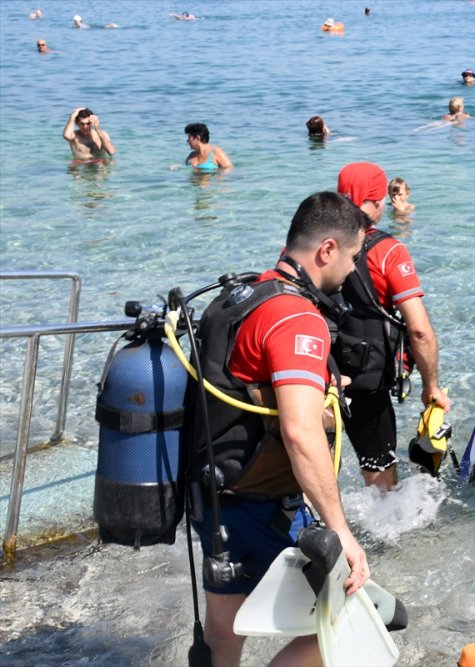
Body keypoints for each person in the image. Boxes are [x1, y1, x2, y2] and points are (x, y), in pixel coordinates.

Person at [189, 191, 370, 665]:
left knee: (224, 633)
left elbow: (245, 383)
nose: (353, 270)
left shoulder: (244, 294)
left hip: (213, 493)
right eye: (352, 256)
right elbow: (300, 432)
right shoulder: (296, 316)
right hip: (260, 502)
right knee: (347, 611)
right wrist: (342, 532)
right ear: (327, 250)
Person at [334, 162, 451, 490]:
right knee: (378, 465)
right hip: (364, 378)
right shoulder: (388, 250)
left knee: (314, 459)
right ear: (372, 202)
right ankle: (381, 537)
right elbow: (419, 330)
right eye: (380, 198)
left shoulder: (312, 242)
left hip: (315, 373)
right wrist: (431, 386)